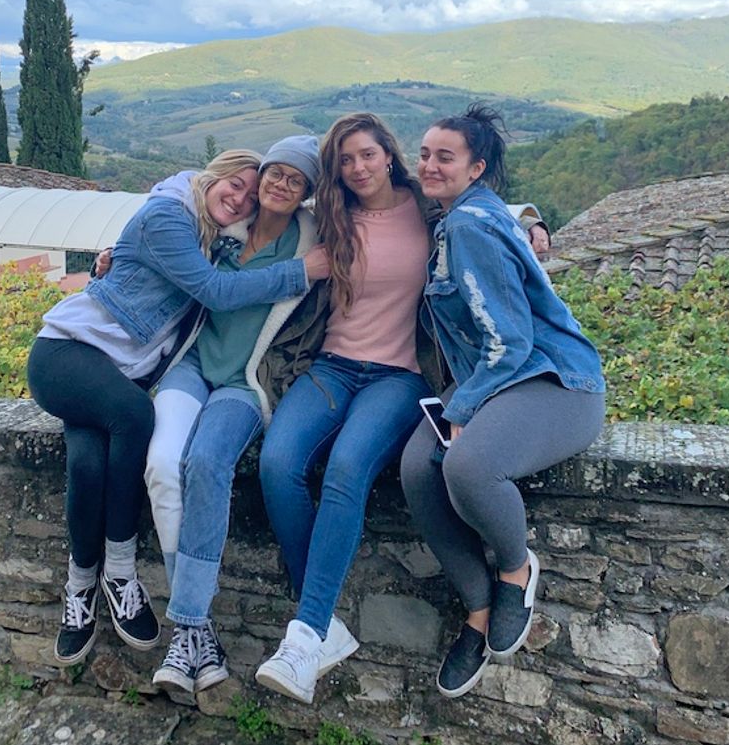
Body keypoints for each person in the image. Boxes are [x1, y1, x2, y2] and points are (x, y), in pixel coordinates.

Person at [27, 149, 329, 667]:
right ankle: (120, 572)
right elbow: (213, 291)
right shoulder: (170, 213)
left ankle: (80, 586)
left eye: (247, 194)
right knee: (138, 419)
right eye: (231, 185)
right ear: (208, 178)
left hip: (116, 374)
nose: (238, 198)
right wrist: (299, 273)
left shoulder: (212, 237)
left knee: (87, 462)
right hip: (68, 353)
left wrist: (112, 256)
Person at [399, 105, 605, 698]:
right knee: (417, 469)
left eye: (445, 157)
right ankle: (478, 608)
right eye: (425, 153)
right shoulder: (462, 213)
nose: (429, 165)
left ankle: (515, 567)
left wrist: (462, 411)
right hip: (496, 377)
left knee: (468, 465)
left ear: (476, 167)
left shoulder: (467, 227)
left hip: (553, 382)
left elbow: (511, 342)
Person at [254, 114, 436, 704]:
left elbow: (491, 212)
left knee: (347, 469)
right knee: (277, 463)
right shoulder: (327, 219)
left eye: (366, 155)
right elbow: (232, 211)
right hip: (331, 365)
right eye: (345, 161)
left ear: (389, 153)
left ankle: (304, 636)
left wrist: (534, 224)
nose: (357, 168)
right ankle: (321, 620)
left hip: (399, 376)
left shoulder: (429, 206)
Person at [149, 136, 322, 702]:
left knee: (206, 461)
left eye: (294, 180)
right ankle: (197, 634)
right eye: (274, 172)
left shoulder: (315, 238)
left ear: (306, 194)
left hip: (245, 381)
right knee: (161, 464)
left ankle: (187, 628)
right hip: (193, 364)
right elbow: (166, 228)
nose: (277, 185)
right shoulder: (227, 227)